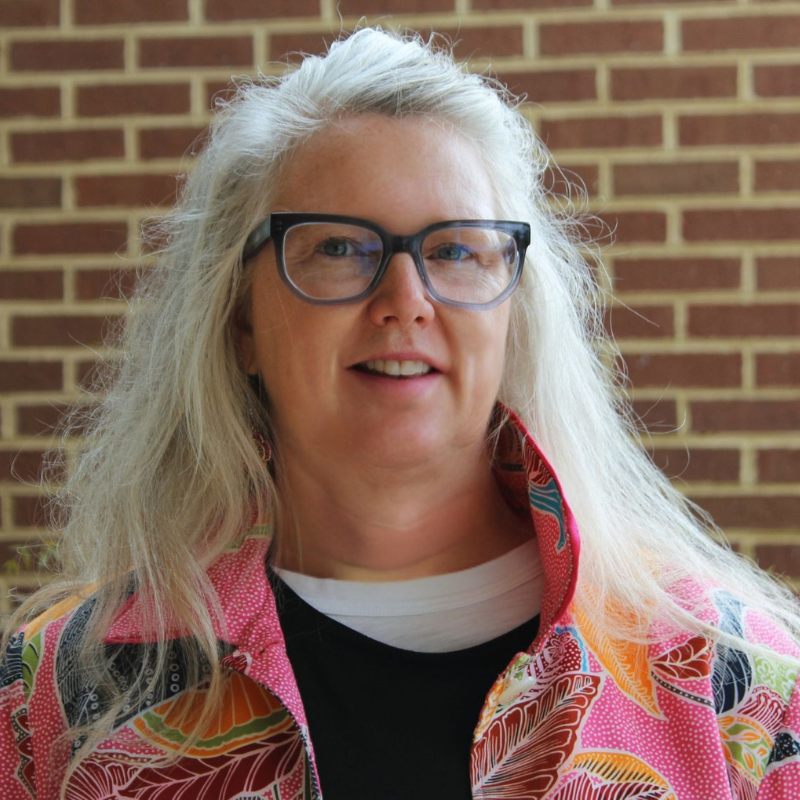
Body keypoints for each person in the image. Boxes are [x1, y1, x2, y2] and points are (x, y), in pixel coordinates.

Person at [2, 27, 800, 800]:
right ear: (239, 320)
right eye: (339, 248)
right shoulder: (54, 698)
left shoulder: (741, 695)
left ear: (514, 311)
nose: (405, 302)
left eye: (455, 250)